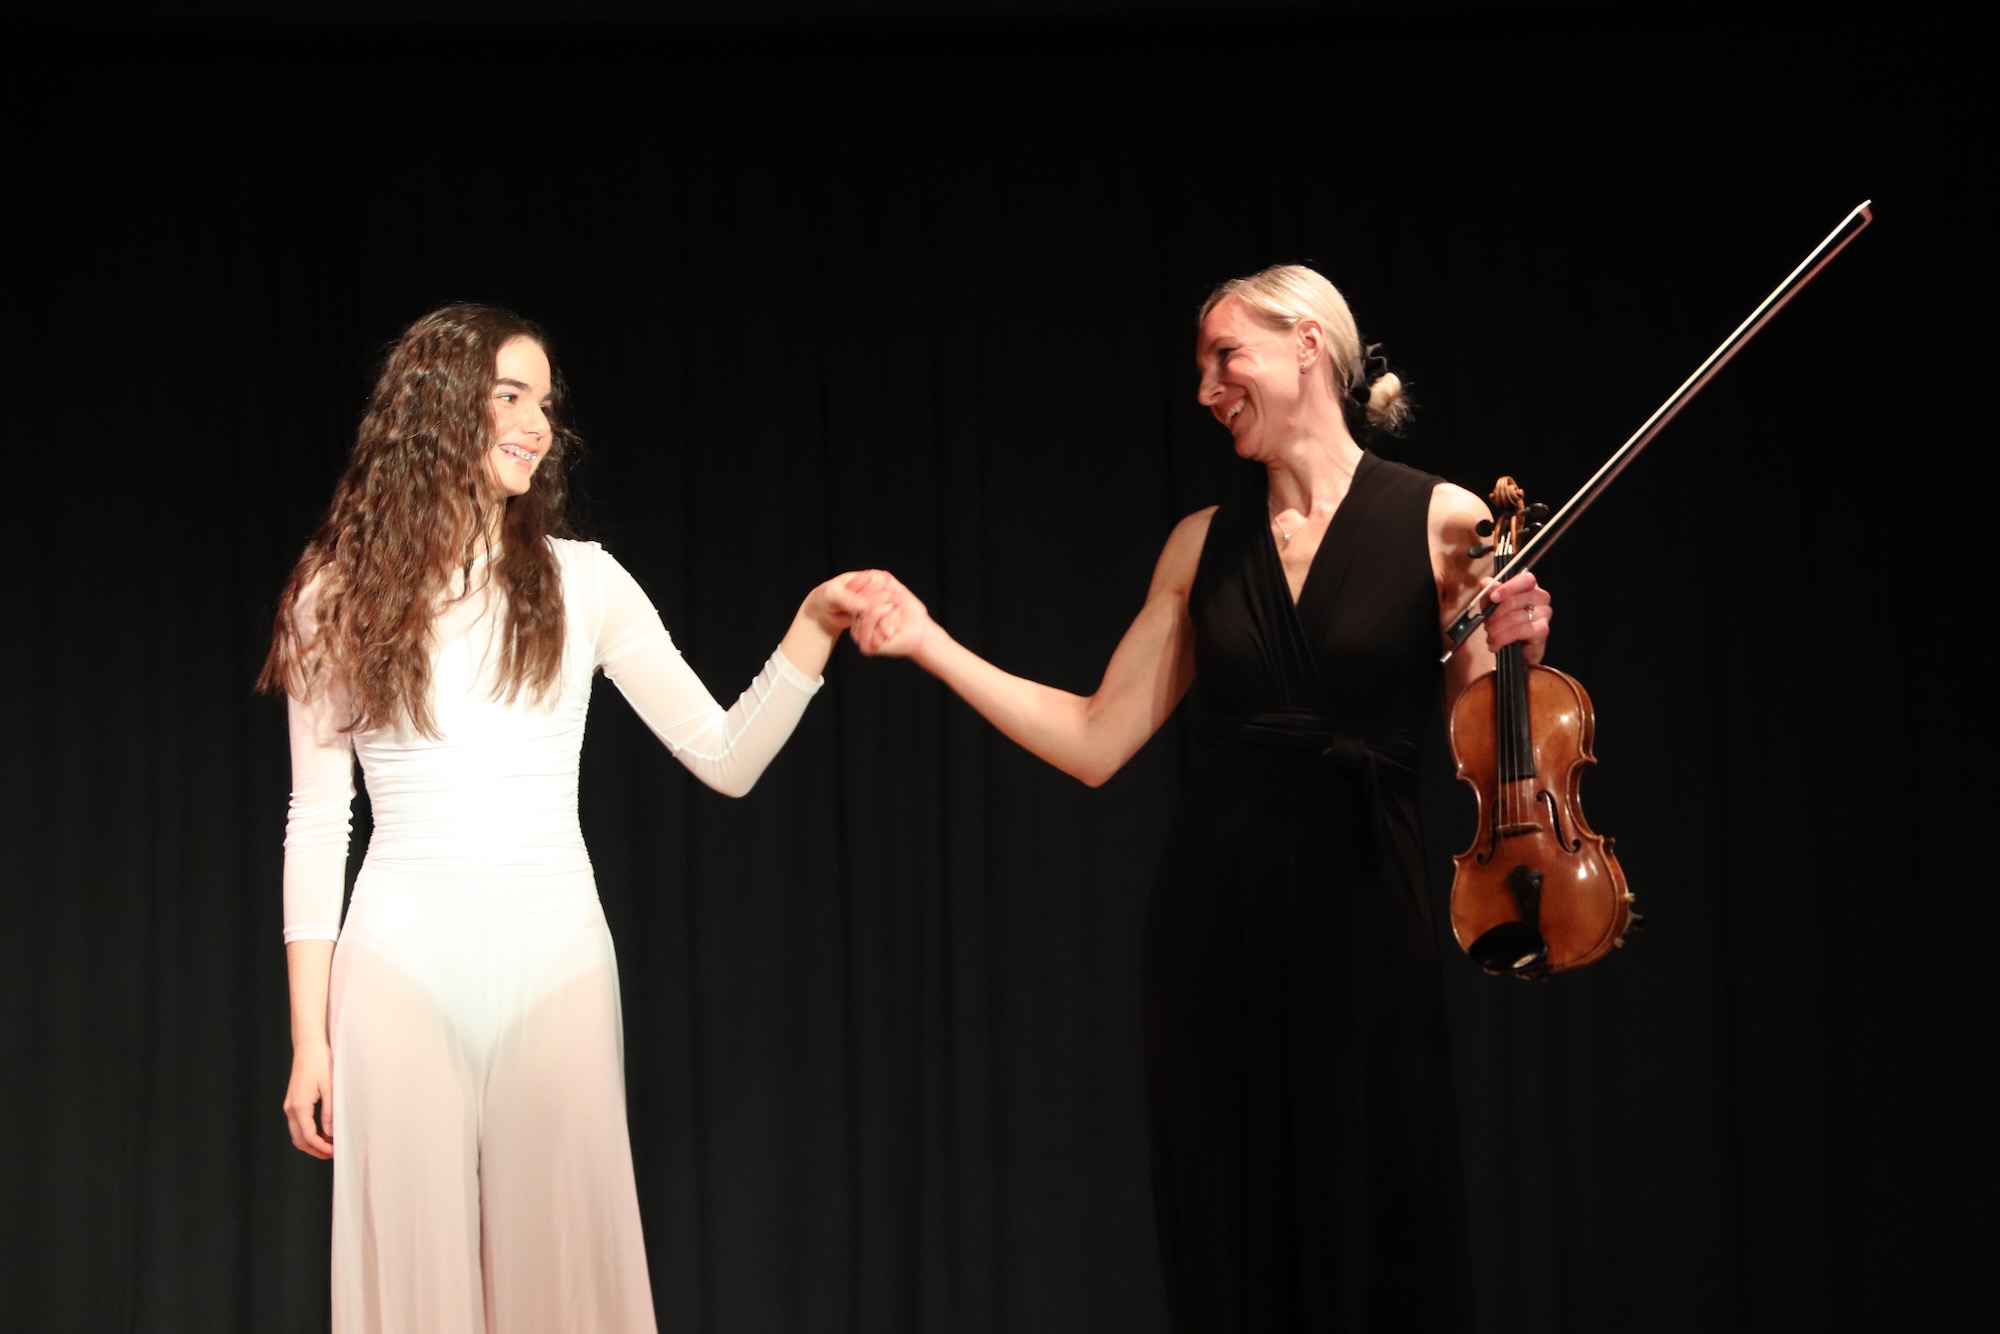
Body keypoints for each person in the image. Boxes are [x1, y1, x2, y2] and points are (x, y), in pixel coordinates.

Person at [847, 264, 1551, 1331]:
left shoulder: (1447, 521)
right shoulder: (1199, 543)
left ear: (1306, 343)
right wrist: (929, 642)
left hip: (1367, 917)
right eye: (1201, 368)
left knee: (1379, 1221)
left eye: (1225, 357)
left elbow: (1483, 746)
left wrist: (1516, 653)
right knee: (1231, 1241)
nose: (1205, 389)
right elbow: (1096, 738)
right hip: (1211, 932)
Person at [260, 303, 882, 1334]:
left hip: (555, 964)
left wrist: (811, 629)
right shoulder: (333, 594)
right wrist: (307, 1037)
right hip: (398, 968)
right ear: (437, 407)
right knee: (409, 1292)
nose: (536, 425)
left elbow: (724, 758)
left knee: (563, 1291)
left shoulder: (582, 582)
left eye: (543, 403)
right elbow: (319, 819)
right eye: (510, 395)